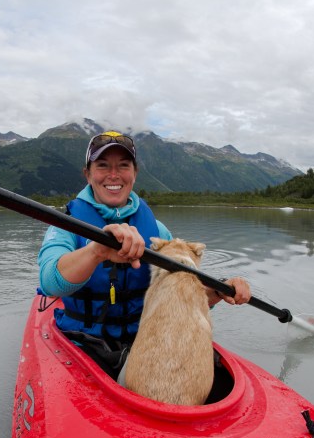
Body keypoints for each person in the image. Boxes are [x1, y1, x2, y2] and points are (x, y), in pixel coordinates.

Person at [37, 131, 251, 378]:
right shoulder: (66, 225)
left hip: (147, 341)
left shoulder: (157, 233)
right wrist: (97, 251)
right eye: (103, 165)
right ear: (87, 174)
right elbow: (50, 283)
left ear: (135, 174)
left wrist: (218, 292)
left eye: (123, 166)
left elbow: (179, 295)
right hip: (83, 344)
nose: (114, 175)